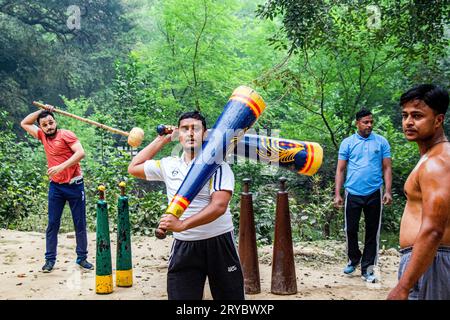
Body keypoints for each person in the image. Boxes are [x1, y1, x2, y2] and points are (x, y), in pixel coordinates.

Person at [128, 111, 244, 300]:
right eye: (185, 129)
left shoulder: (218, 165)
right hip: (185, 246)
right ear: (178, 135)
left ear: (204, 134)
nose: (190, 133)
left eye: (196, 129)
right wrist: (162, 140)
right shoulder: (168, 165)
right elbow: (134, 167)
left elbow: (219, 205)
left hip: (219, 243)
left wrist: (181, 225)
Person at [387, 84, 450, 300]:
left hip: (432, 262)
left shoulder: (437, 163)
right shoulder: (431, 157)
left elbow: (434, 228)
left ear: (438, 120)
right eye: (405, 115)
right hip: (428, 261)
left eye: (417, 115)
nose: (408, 122)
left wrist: (403, 287)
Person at [21, 105, 93, 273]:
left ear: (56, 121)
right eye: (44, 124)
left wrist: (61, 167)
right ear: (41, 127)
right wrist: (41, 111)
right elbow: (25, 122)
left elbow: (80, 153)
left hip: (75, 186)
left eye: (51, 122)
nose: (49, 127)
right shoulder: (41, 136)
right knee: (53, 224)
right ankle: (49, 260)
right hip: (56, 188)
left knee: (79, 223)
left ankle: (82, 258)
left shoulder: (66, 134)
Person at [334, 109, 392, 283]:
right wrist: (337, 193)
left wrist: (388, 191)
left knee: (372, 232)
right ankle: (353, 258)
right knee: (350, 230)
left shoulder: (381, 142)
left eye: (371, 122)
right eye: (365, 122)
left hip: (374, 192)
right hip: (352, 192)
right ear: (357, 123)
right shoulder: (348, 143)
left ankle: (368, 269)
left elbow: (387, 168)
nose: (369, 125)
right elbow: (340, 169)